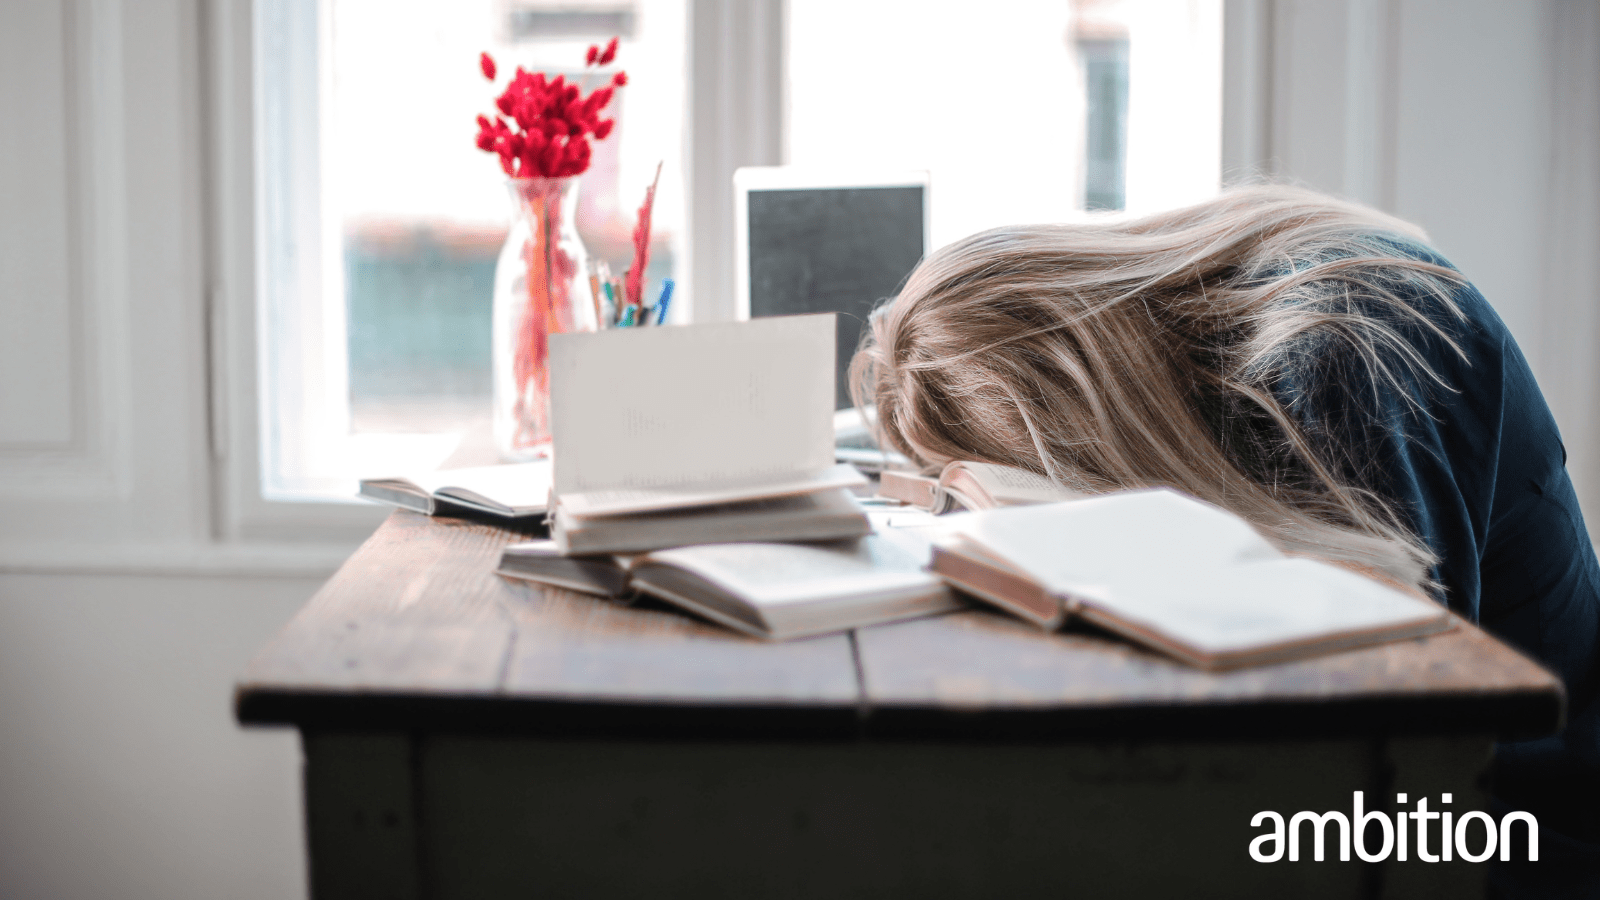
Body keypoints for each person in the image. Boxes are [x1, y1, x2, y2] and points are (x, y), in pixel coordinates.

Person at [850, 184, 1598, 896]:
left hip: (1511, 828)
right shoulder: (1232, 325)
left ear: (1081, 417)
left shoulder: (1345, 346)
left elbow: (1387, 740)